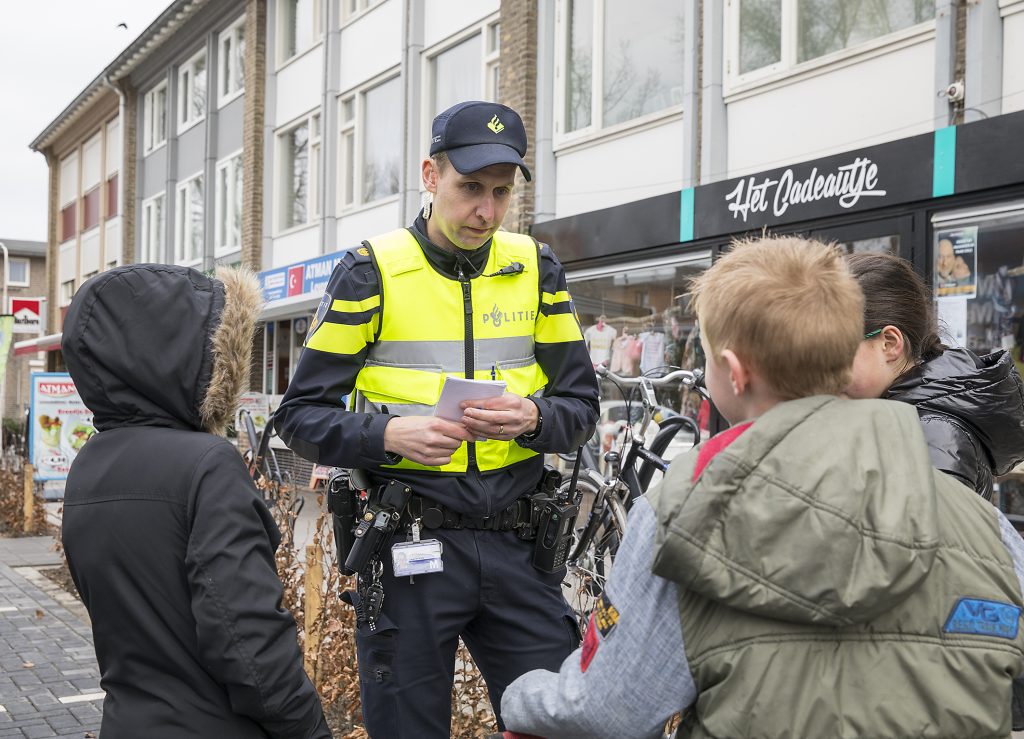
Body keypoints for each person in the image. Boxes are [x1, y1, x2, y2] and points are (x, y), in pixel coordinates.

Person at [496, 236, 1024, 738]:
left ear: (733, 371)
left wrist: (520, 693)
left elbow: (608, 713)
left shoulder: (685, 508)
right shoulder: (989, 528)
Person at [275, 100, 600, 737]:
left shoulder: (537, 270)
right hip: (409, 549)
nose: (486, 211)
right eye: (470, 188)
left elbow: (580, 409)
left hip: (518, 546)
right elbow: (299, 417)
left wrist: (531, 418)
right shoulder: (371, 272)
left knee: (570, 724)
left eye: (501, 194)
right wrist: (387, 437)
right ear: (431, 175)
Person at [60, 265, 331, 738]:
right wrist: (309, 729)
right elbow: (248, 644)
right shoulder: (207, 463)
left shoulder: (89, 465)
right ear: (186, 356)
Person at [845, 252, 1024, 501]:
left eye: (836, 350)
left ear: (889, 343)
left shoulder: (935, 436)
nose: (822, 369)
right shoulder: (916, 417)